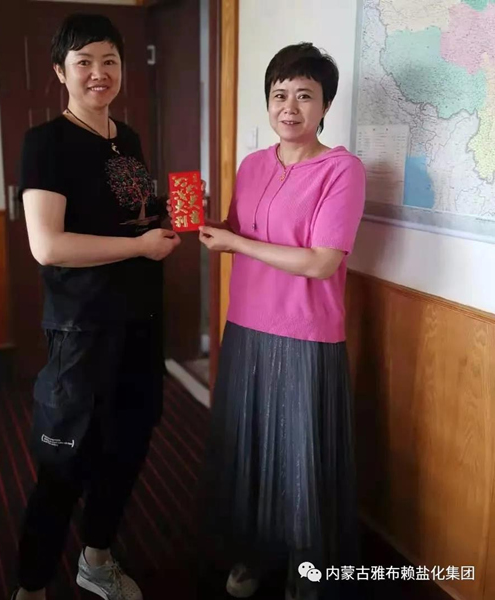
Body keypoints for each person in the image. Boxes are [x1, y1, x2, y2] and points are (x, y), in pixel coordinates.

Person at [11, 13, 180, 600]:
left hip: (140, 322)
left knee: (127, 449)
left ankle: (97, 558)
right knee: (64, 464)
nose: (98, 73)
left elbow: (127, 217)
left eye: (109, 60)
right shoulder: (46, 143)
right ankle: (31, 585)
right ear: (61, 72)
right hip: (82, 328)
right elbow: (48, 246)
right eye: (83, 62)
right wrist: (139, 246)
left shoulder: (125, 138)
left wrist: (173, 215)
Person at [198, 44, 366, 600]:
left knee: (301, 460)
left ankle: (305, 570)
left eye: (304, 96)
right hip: (246, 324)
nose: (289, 107)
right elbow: (236, 232)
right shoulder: (252, 165)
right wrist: (200, 221)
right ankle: (253, 553)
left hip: (305, 331)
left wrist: (237, 242)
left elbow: (321, 262)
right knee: (248, 450)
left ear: (325, 106)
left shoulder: (341, 169)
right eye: (279, 94)